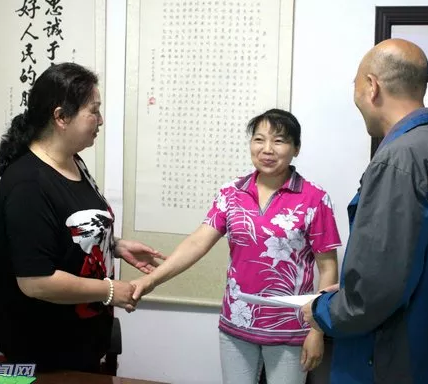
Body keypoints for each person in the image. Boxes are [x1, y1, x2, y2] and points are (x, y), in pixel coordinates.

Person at [301, 39, 428, 384]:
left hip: (397, 358)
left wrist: (324, 310)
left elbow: (372, 295)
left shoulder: (398, 161)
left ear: (372, 86)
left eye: (356, 86)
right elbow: (425, 259)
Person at [131, 109, 341, 384]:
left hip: (290, 328)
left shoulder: (314, 198)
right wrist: (150, 281)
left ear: (296, 148)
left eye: (279, 141)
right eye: (259, 139)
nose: (267, 149)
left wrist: (317, 329)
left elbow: (328, 267)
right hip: (237, 323)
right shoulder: (232, 193)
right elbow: (197, 242)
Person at [0, 62, 165, 373]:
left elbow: (66, 230)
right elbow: (36, 281)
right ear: (61, 117)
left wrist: (113, 244)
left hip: (82, 346)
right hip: (41, 354)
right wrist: (111, 291)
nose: (101, 120)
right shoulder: (28, 184)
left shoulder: (74, 162)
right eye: (94, 111)